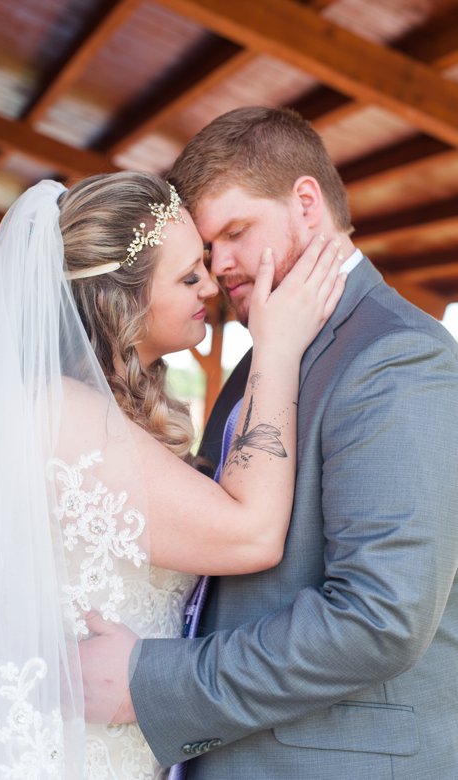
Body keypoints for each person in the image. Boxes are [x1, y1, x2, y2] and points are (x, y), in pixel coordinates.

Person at [0, 171, 345, 777]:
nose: (212, 284)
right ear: (118, 302)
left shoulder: (91, 407)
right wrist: (277, 349)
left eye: (203, 264)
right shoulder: (55, 411)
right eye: (188, 276)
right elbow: (252, 533)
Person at [112, 106, 458, 779]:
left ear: (305, 203)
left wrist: (148, 682)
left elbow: (378, 619)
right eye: (208, 247)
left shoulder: (395, 358)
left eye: (235, 232)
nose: (218, 268)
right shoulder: (263, 354)